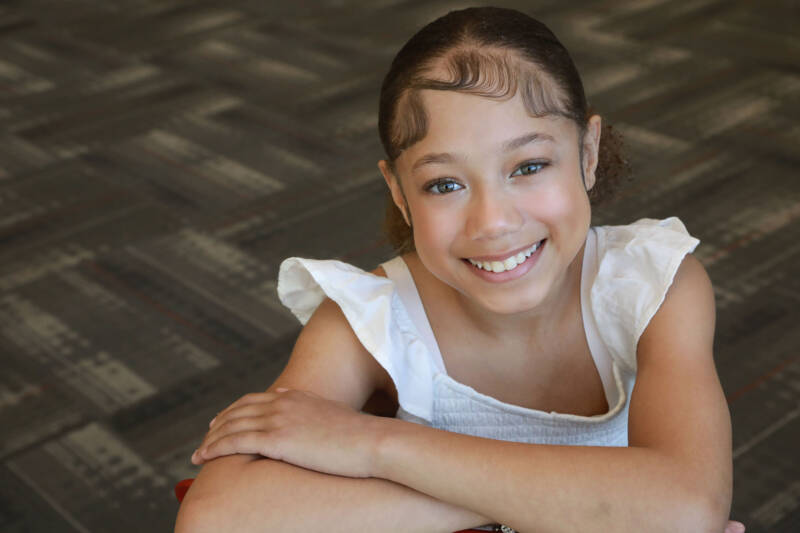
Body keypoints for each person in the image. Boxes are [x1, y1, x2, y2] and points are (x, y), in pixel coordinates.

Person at [174, 7, 746, 533]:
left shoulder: (651, 287)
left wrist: (375, 447)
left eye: (529, 165)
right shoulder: (369, 319)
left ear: (588, 155)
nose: (493, 222)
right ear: (399, 193)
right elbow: (217, 518)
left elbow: (686, 506)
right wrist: (586, 503)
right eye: (444, 184)